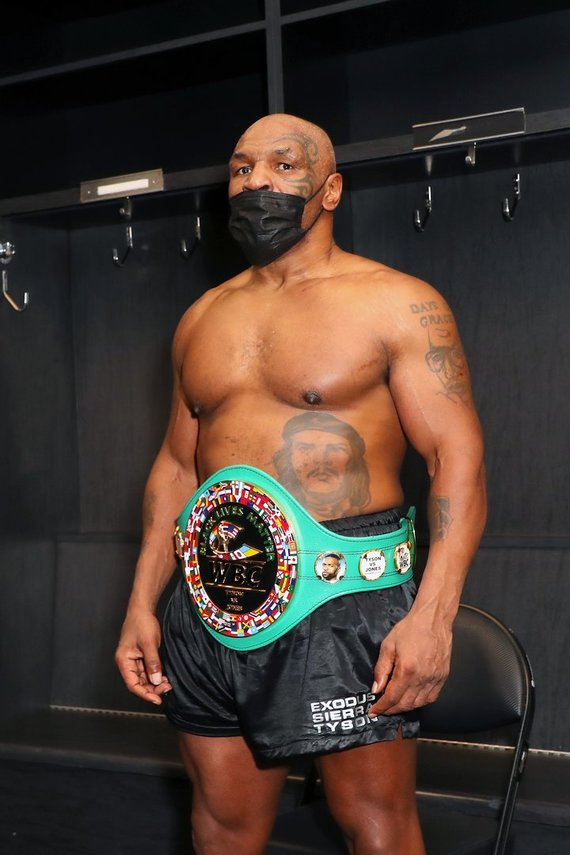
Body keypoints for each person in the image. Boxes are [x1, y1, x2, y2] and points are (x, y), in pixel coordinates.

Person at [115, 113, 486, 855]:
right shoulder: (201, 318)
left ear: (330, 188)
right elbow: (178, 467)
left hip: (342, 600)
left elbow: (457, 458)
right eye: (242, 167)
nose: (258, 183)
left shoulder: (396, 302)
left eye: (284, 167)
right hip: (208, 600)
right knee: (219, 826)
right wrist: (141, 603)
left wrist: (435, 617)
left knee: (377, 827)